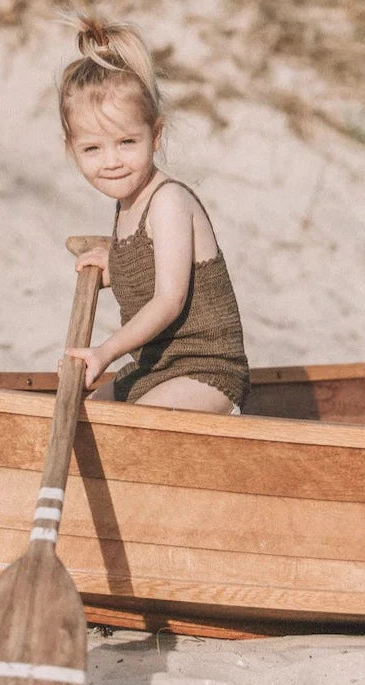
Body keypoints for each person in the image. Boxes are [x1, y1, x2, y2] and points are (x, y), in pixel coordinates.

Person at [59, 16, 250, 414]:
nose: (111, 161)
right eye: (92, 149)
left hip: (203, 371)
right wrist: (116, 265)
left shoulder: (167, 201)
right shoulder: (127, 205)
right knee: (86, 416)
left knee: (131, 431)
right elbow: (152, 261)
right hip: (153, 369)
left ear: (155, 135)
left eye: (127, 142)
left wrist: (105, 352)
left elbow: (168, 299)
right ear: (72, 149)